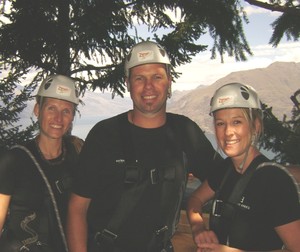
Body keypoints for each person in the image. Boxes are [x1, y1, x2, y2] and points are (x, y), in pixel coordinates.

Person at [66, 40, 222, 252]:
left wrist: (195, 213)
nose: (149, 86)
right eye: (139, 78)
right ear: (128, 84)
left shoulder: (185, 131)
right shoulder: (105, 134)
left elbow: (223, 177)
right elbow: (77, 208)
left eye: (157, 77)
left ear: (169, 82)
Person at [187, 82, 300, 251]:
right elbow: (195, 199)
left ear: (255, 126)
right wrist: (198, 228)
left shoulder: (274, 180)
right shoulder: (226, 169)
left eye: (237, 122)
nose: (227, 132)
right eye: (220, 123)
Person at [0, 74, 84, 252]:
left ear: (72, 117)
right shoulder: (13, 160)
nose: (58, 118)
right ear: (38, 110)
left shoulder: (77, 155)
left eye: (66, 111)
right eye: (51, 108)